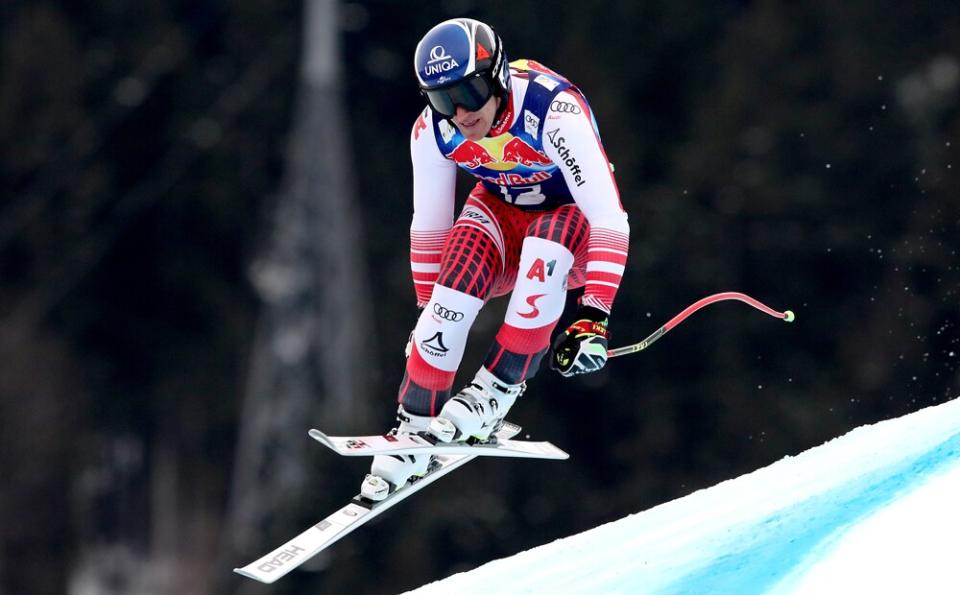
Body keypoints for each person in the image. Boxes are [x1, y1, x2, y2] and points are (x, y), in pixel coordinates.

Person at [361, 18, 630, 500]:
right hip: (503, 213)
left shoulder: (553, 110)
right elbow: (430, 227)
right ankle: (414, 423)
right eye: (443, 99)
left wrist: (593, 315)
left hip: (574, 226)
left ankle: (496, 391)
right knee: (451, 293)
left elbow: (609, 217)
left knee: (547, 243)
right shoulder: (432, 132)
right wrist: (427, 318)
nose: (460, 112)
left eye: (469, 91)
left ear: (498, 75)